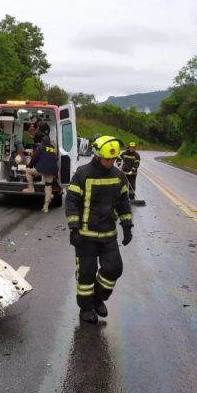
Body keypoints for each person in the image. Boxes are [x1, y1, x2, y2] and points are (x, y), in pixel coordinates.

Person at [66, 135, 133, 324]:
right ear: (96, 155)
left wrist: (127, 226)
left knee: (114, 269)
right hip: (85, 237)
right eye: (107, 159)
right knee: (86, 274)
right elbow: (71, 202)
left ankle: (98, 298)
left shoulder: (118, 176)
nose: (110, 162)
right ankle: (86, 308)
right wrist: (74, 229)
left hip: (108, 235)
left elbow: (123, 203)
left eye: (113, 159)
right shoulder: (82, 174)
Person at [22, 135, 58, 213]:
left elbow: (34, 158)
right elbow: (56, 159)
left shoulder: (40, 147)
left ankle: (31, 188)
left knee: (28, 171)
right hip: (51, 171)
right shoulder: (53, 149)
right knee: (48, 186)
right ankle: (45, 207)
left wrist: (30, 165)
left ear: (42, 142)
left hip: (41, 169)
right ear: (49, 142)